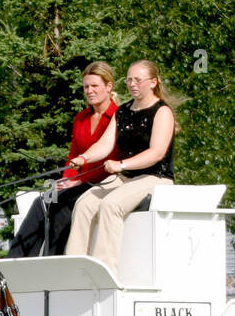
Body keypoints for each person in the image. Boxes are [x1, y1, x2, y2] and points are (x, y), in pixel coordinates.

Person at [63, 59, 176, 273]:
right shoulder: (122, 111)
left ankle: (104, 270)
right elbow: (105, 144)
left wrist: (122, 165)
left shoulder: (162, 112)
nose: (132, 84)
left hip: (155, 177)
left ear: (153, 82)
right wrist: (83, 158)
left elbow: (157, 153)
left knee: (111, 205)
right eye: (129, 80)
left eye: (138, 80)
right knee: (84, 204)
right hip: (127, 177)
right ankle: (74, 267)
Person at [7, 61, 124, 257]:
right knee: (42, 202)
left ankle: (52, 260)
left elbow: (111, 160)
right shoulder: (81, 118)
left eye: (95, 86)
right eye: (86, 86)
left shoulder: (118, 116)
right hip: (79, 183)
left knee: (63, 207)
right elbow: (73, 157)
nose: (89, 91)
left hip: (104, 183)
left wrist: (79, 181)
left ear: (109, 86)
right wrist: (67, 179)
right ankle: (15, 260)